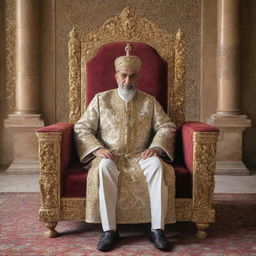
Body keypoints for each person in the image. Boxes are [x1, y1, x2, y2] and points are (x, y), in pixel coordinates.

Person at [74, 44, 176, 252]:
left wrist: (156, 148)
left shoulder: (149, 102)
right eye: (124, 76)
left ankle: (157, 230)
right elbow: (82, 127)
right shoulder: (101, 100)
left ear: (138, 77)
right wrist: (96, 150)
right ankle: (109, 230)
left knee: (157, 166)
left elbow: (166, 126)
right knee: (103, 168)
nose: (128, 81)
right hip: (110, 155)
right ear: (116, 76)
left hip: (141, 155)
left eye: (133, 76)